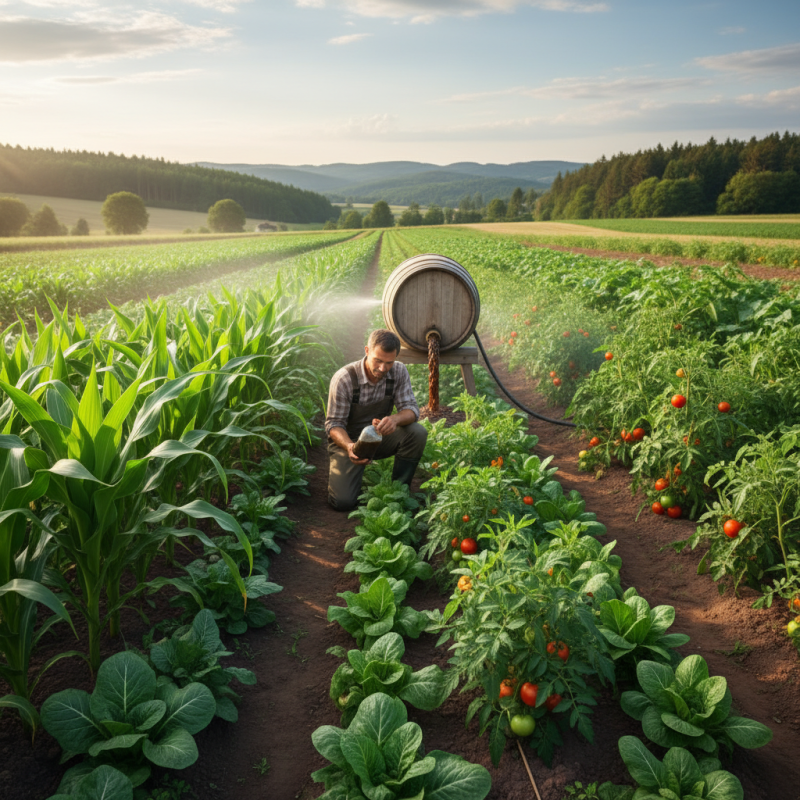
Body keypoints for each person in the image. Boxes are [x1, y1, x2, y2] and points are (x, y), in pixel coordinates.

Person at [326, 328, 427, 511]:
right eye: (378, 360)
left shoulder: (398, 371)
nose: (382, 368)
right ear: (367, 351)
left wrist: (394, 420)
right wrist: (349, 446)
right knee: (343, 502)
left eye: (389, 362)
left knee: (417, 432)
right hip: (348, 442)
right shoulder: (344, 379)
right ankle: (349, 473)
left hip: (378, 437)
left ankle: (400, 489)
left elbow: (412, 410)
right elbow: (334, 424)